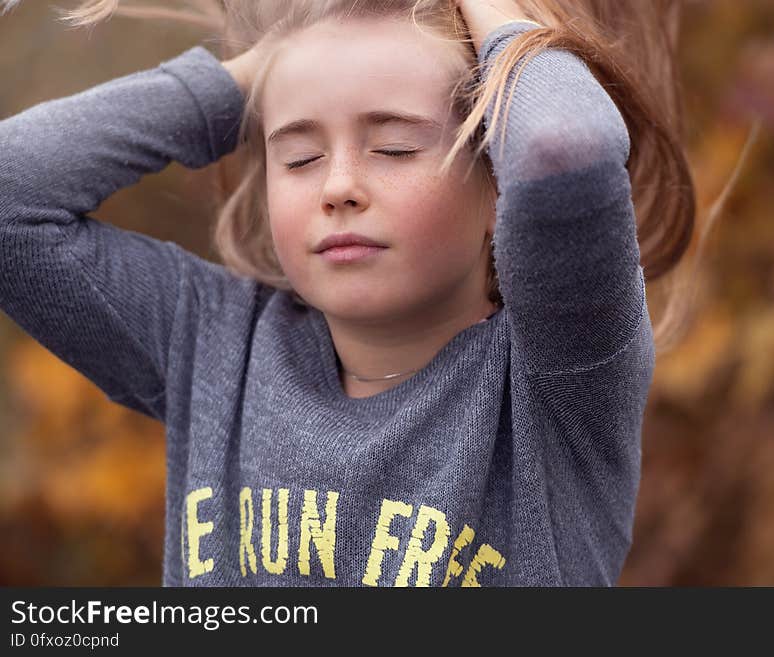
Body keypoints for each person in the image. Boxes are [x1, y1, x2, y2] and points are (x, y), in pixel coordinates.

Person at [0, 0, 694, 586]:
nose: (337, 187)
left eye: (392, 148)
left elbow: (565, 149)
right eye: (298, 156)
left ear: (496, 182)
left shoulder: (561, 380)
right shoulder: (210, 344)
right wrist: (269, 71)